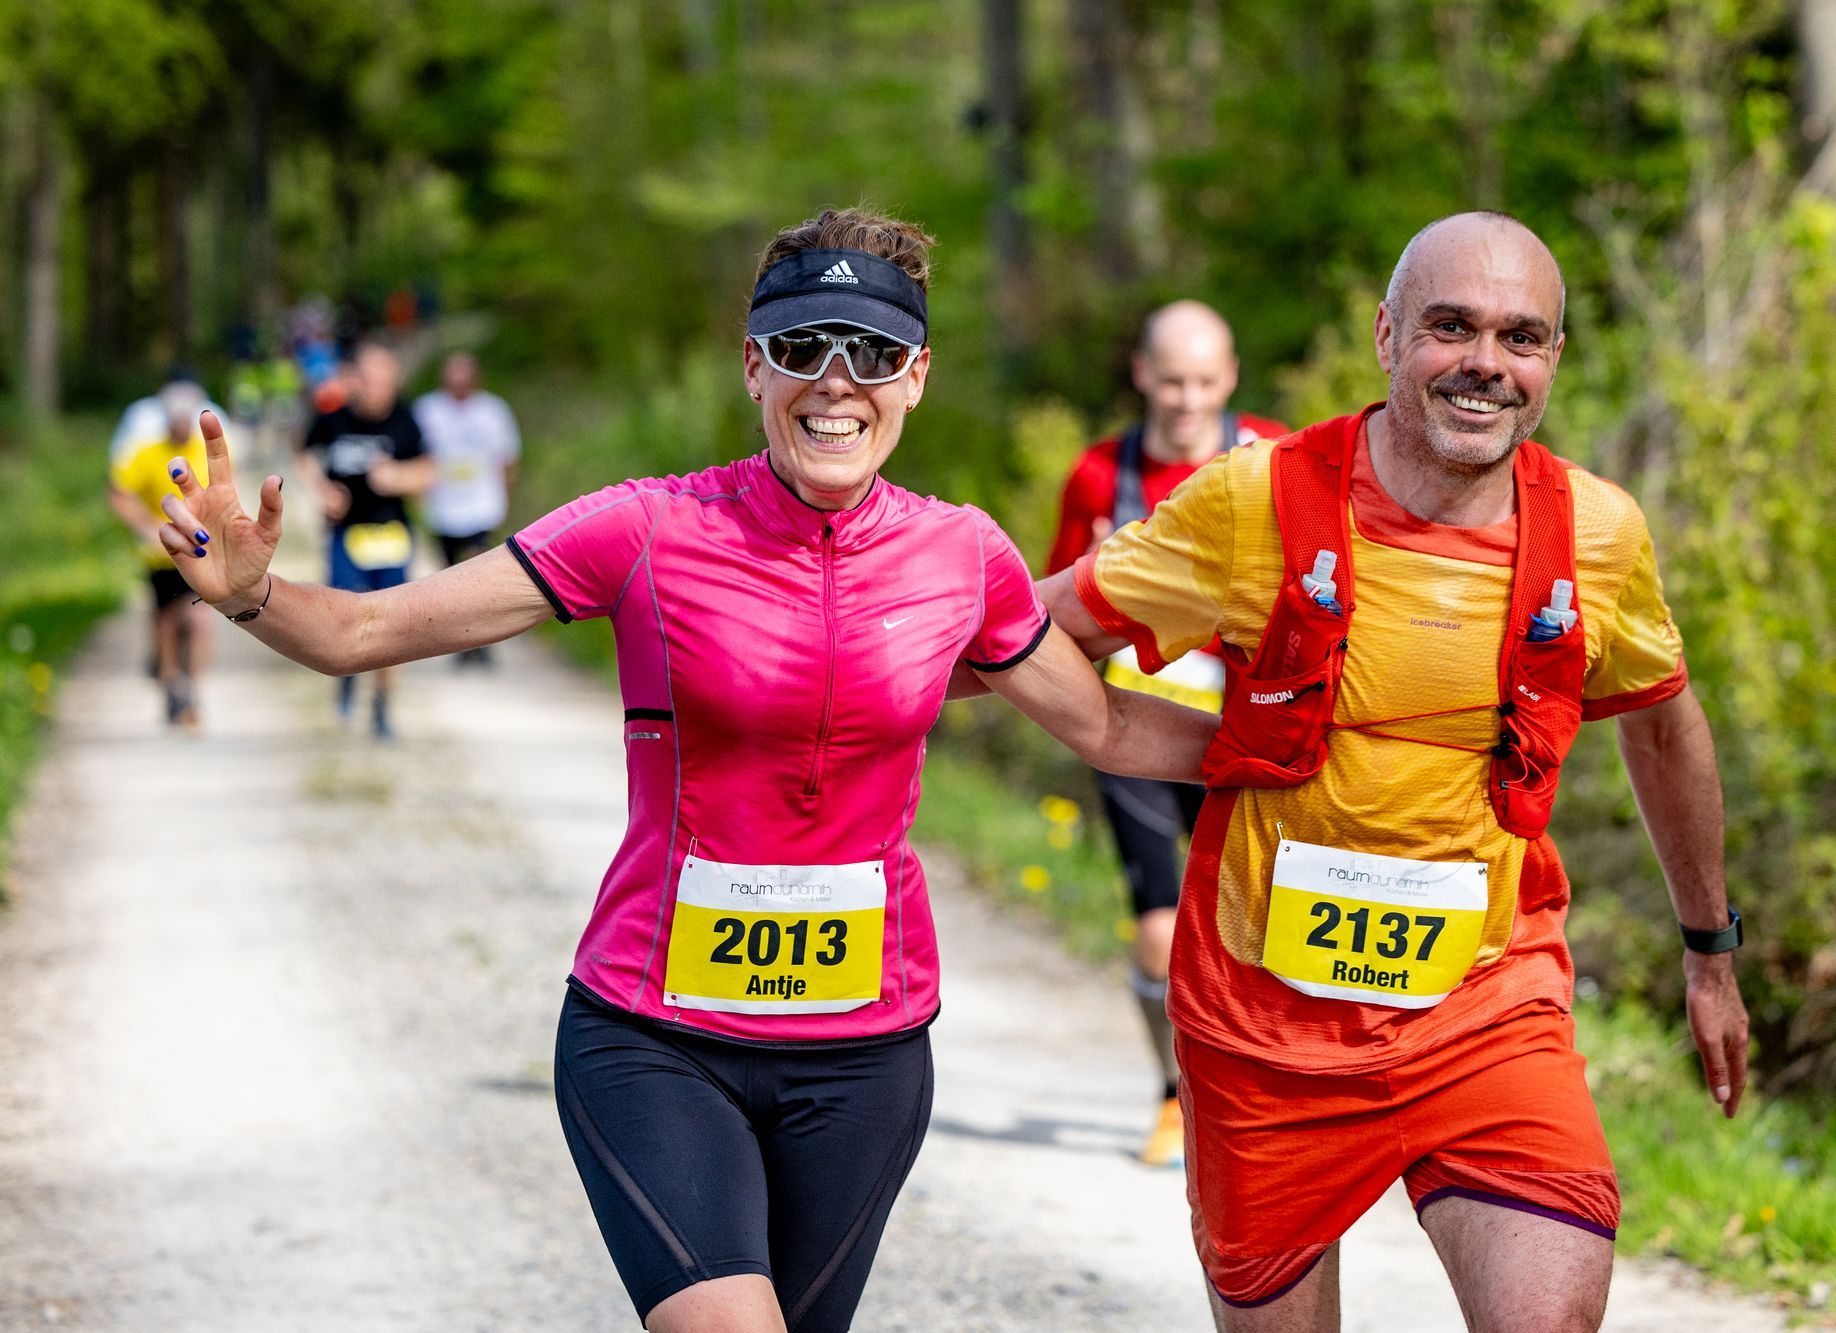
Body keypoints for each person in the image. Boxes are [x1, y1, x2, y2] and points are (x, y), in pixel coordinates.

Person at [155, 207, 1219, 1333]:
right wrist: (250, 595)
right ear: (753, 363)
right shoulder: (645, 529)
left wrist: (1309, 749)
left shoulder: (962, 554)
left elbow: (1101, 726)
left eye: (871, 353)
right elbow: (366, 633)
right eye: (803, 348)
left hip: (863, 1056)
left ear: (916, 377)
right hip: (653, 1036)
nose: (835, 382)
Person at [1039, 212, 1749, 1331]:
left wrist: (1709, 953)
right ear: (1383, 336)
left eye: (1520, 336)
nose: (1484, 363)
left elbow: (1663, 728)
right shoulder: (1248, 498)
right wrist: (818, 665)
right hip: (1262, 1031)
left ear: (1552, 359)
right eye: (1449, 327)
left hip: (1485, 1009)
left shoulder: (1597, 533)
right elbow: (1038, 632)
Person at [1045, 300, 1286, 1168]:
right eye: (1171, 380)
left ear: (1229, 380)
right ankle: (1174, 1095)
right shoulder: (1097, 474)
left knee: (1255, 929)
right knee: (1158, 928)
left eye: (1205, 381)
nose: (1187, 400)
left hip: (1244, 727)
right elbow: (1057, 610)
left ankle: (1259, 1097)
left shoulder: (1271, 458)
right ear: (1143, 375)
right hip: (1136, 727)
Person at [298, 342, 435, 738]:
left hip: (391, 532)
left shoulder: (407, 418)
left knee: (392, 626)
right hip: (347, 533)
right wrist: (323, 490)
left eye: (386, 380)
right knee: (344, 612)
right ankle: (345, 674)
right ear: (356, 380)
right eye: (372, 380)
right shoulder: (333, 417)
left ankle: (382, 704)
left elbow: (430, 470)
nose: (379, 388)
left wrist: (398, 478)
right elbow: (305, 454)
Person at [106, 377, 229, 728]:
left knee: (200, 619)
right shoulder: (146, 453)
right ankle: (171, 682)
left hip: (201, 552)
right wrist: (144, 525)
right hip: (161, 554)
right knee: (167, 621)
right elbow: (118, 492)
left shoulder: (206, 452)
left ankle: (193, 689)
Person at [413, 351, 521, 667]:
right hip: (443, 507)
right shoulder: (428, 411)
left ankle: (483, 640)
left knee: (479, 572)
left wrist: (503, 495)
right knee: (450, 577)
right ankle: (459, 640)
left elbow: (507, 457)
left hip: (480, 505)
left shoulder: (493, 411)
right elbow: (419, 458)